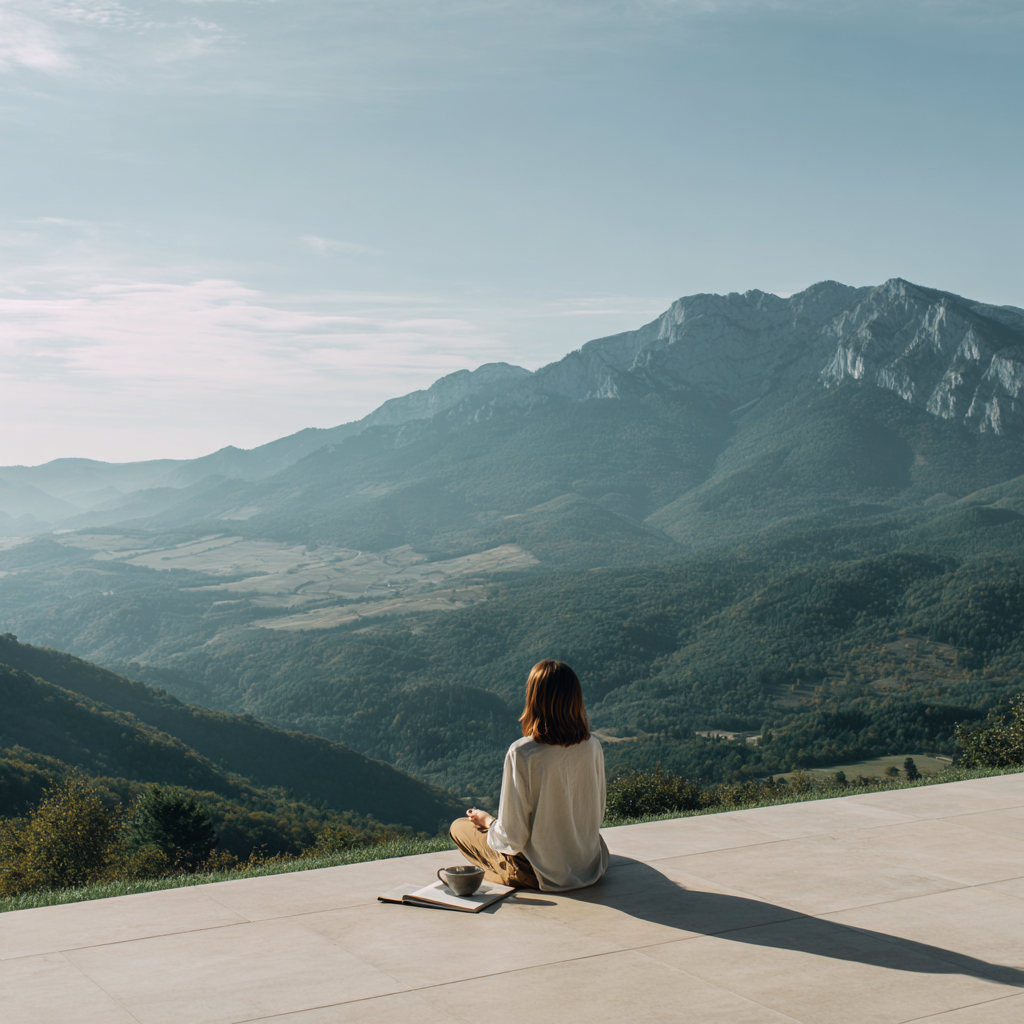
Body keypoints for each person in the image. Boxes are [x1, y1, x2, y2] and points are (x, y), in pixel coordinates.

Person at [449, 659, 610, 891]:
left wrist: (488, 821)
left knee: (459, 827)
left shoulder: (523, 752)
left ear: (534, 700)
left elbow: (512, 839)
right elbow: (597, 811)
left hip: (539, 872)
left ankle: (509, 874)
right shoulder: (592, 745)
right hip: (590, 864)